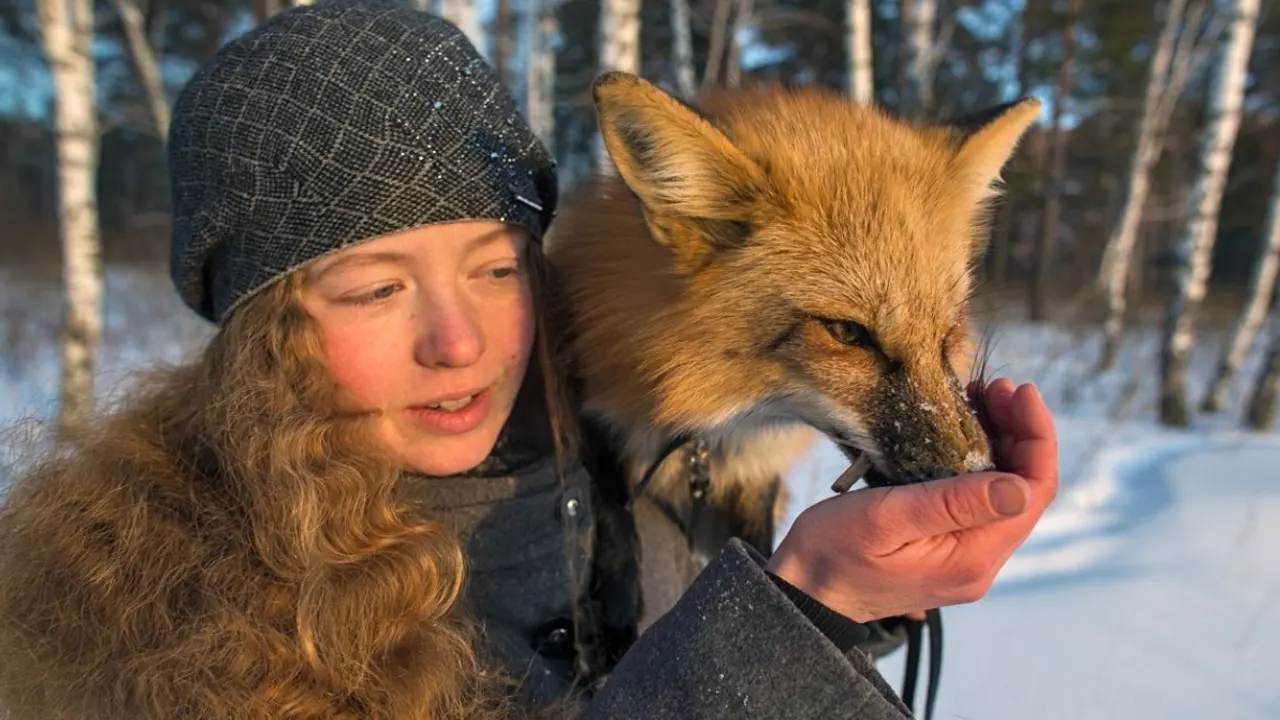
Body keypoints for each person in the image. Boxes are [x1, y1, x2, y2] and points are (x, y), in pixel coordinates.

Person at [0, 2, 1059, 719]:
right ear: (261, 325)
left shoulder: (628, 451)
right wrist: (806, 613)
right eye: (376, 288)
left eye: (500, 270)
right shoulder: (143, 612)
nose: (458, 344)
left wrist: (848, 602)